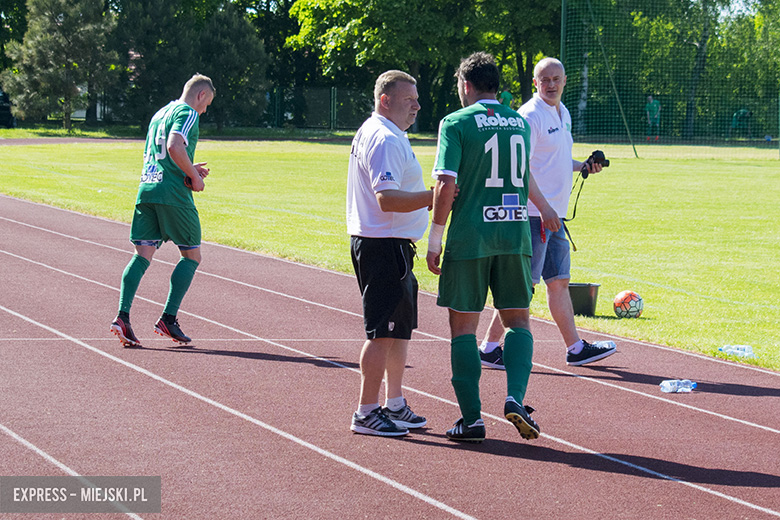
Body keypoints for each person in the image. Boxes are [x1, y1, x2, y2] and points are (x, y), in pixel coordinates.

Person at [426, 52, 549, 443]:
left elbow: (446, 184)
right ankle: (515, 397)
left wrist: (434, 238)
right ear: (497, 84)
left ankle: (472, 419)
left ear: (465, 85)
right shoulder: (519, 122)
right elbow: (523, 174)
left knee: (463, 327)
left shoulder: (456, 122)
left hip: (471, 235)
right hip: (514, 234)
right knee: (518, 321)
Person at [479, 57, 617, 370]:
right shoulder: (530, 115)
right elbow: (519, 167)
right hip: (532, 214)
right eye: (545, 80)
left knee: (559, 282)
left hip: (554, 215)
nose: (551, 85)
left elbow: (554, 160)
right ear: (535, 83)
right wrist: (543, 207)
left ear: (565, 80)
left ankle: (575, 348)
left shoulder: (562, 112)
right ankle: (488, 347)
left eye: (556, 79)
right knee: (522, 286)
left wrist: (583, 166)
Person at [346, 70, 433, 437]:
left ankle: (393, 403)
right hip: (383, 244)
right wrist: (437, 197)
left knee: (399, 332)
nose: (416, 105)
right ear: (386, 100)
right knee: (382, 331)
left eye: (416, 98)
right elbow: (387, 199)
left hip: (392, 244)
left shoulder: (389, 133)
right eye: (408, 98)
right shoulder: (383, 137)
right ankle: (366, 411)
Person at [110, 74, 215, 347]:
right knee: (192, 255)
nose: (204, 111)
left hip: (147, 189)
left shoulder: (159, 113)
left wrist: (189, 167)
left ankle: (123, 316)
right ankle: (168, 318)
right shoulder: (187, 111)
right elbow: (173, 145)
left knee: (142, 254)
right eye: (207, 104)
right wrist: (195, 176)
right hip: (172, 195)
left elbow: (164, 152)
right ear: (201, 95)